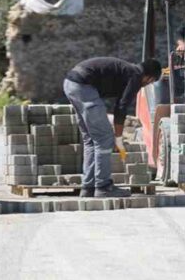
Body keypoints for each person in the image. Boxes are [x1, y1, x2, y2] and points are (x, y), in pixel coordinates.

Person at [63, 57, 162, 198]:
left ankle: (88, 187)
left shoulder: (128, 71)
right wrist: (118, 139)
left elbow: (118, 107)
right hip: (83, 86)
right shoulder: (135, 76)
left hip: (70, 84)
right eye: (150, 82)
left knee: (91, 140)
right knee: (104, 138)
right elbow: (121, 108)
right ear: (149, 78)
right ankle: (103, 186)